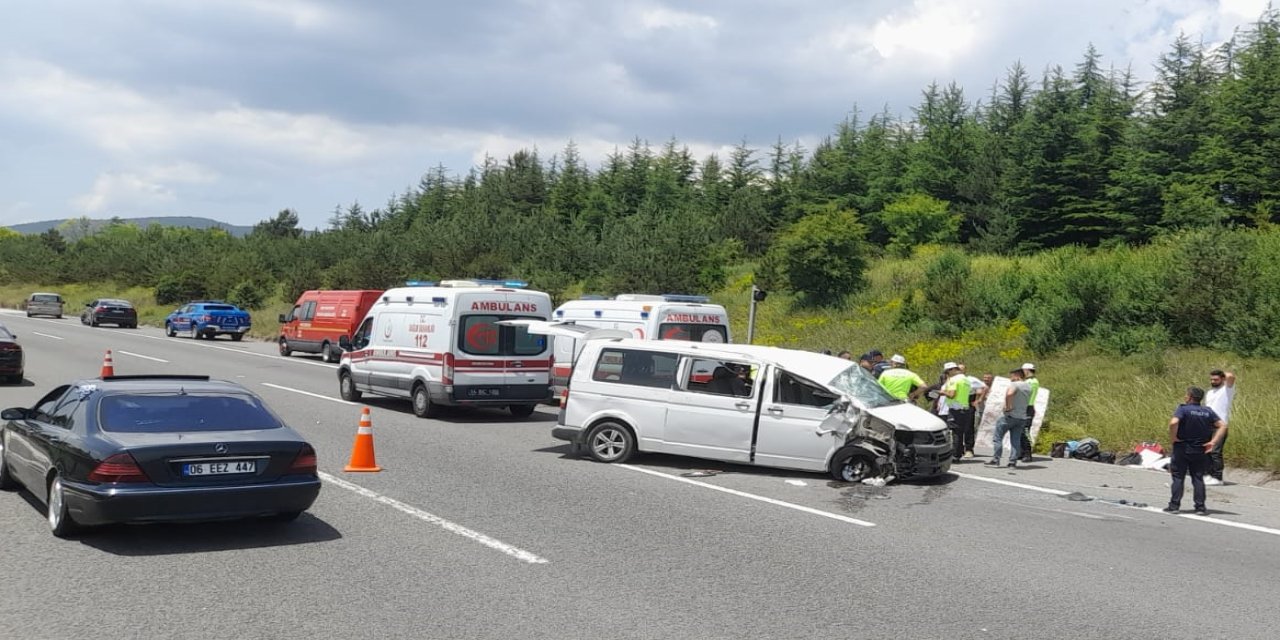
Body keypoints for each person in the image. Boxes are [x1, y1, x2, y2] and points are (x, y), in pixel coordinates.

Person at [1164, 387, 1228, 515]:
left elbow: (1173, 423)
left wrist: (1173, 437)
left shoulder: (1183, 409)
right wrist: (1213, 442)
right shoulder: (1207, 411)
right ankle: (1200, 507)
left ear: (1190, 397)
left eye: (1186, 395)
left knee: (1178, 477)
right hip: (1200, 449)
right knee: (1198, 478)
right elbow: (1223, 425)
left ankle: (1174, 505)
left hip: (1182, 447)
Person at [987, 368, 1031, 468]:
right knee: (1015, 440)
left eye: (1011, 376)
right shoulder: (1028, 386)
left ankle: (996, 459)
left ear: (1017, 375)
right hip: (1022, 417)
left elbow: (1009, 394)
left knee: (997, 438)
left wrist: (1008, 406)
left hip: (1010, 416)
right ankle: (1012, 462)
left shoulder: (1015, 384)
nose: (1010, 378)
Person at [1203, 369, 1236, 485]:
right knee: (1207, 450)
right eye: (1211, 379)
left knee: (1216, 452)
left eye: (1216, 379)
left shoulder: (1227, 390)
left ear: (1222, 379)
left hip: (1220, 426)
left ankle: (1217, 478)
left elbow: (1230, 376)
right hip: (1208, 425)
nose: (1213, 381)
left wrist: (1222, 374)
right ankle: (1209, 475)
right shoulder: (1210, 392)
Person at [939, 362, 973, 462]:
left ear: (952, 370)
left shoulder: (953, 380)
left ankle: (955, 455)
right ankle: (958, 453)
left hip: (955, 409)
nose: (947, 374)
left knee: (955, 433)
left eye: (947, 372)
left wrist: (941, 392)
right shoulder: (966, 380)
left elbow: (951, 394)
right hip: (965, 408)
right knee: (961, 432)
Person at [1019, 363, 1039, 462]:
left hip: (1028, 408)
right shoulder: (1027, 381)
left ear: (1027, 370)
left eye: (1023, 371)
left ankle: (1028, 453)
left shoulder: (1032, 382)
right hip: (1022, 408)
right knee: (1019, 431)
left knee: (1025, 431)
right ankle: (1021, 452)